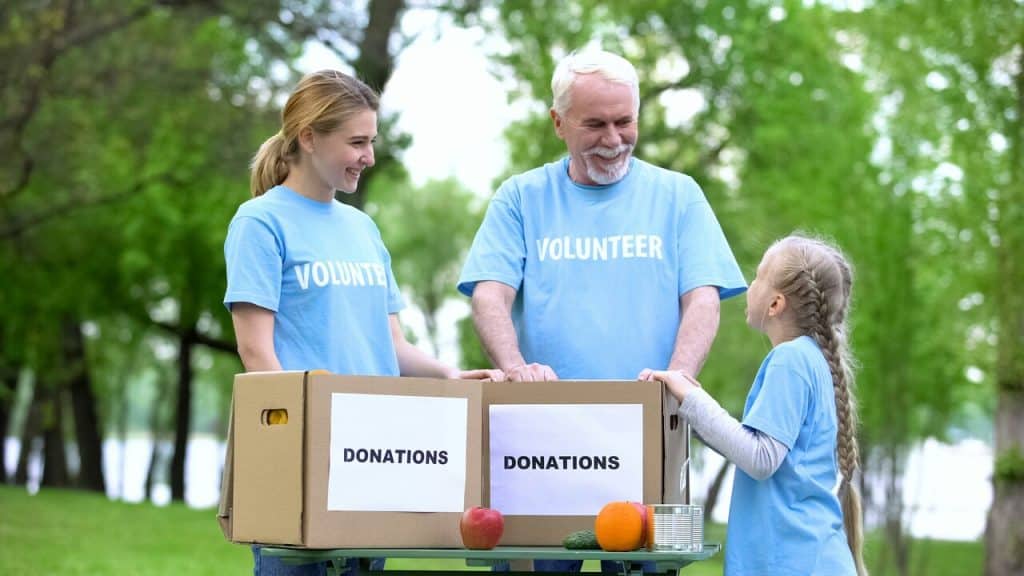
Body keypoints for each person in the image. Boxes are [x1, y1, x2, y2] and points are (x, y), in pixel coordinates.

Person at [457, 49, 746, 572]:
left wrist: (678, 380)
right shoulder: (520, 198)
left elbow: (703, 299)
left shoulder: (679, 195)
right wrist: (516, 368)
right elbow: (489, 296)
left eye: (624, 121)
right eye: (595, 124)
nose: (614, 139)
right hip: (538, 438)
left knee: (655, 566)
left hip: (655, 431)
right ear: (558, 122)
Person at [224, 69, 503, 576]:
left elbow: (390, 343)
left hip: (373, 455)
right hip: (302, 461)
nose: (368, 157)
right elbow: (256, 351)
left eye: (371, 141)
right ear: (309, 137)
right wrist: (300, 442)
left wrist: (447, 375)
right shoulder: (259, 223)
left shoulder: (363, 228)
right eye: (357, 142)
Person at [644, 235, 868, 576]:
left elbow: (761, 458)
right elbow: (753, 448)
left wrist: (692, 398)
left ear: (775, 304)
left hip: (793, 564)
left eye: (759, 277)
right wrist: (685, 407)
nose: (750, 286)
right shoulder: (812, 360)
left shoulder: (790, 360)